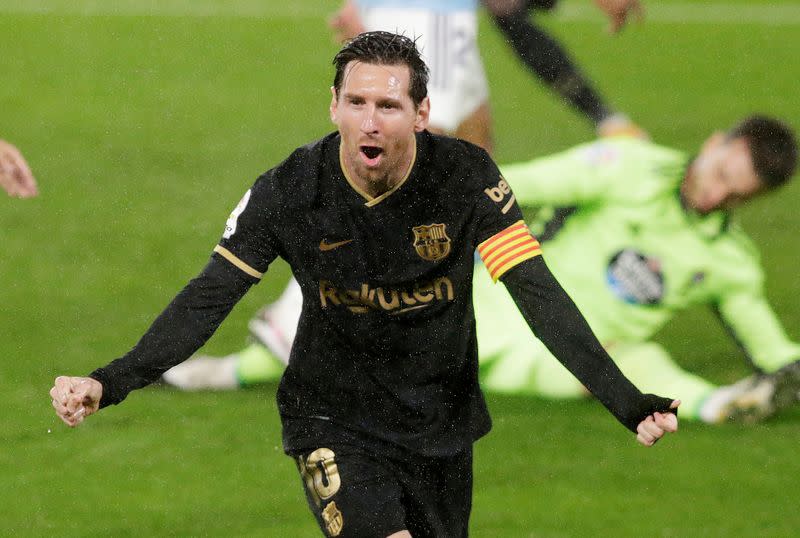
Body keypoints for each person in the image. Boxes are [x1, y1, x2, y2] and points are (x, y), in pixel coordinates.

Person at [50, 32, 677, 537]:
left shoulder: (464, 177)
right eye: (356, 103)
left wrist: (625, 400)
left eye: (388, 106)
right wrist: (112, 380)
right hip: (333, 418)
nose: (369, 122)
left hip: (441, 420)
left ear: (422, 114)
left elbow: (536, 293)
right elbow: (209, 297)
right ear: (333, 105)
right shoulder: (291, 191)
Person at [166, 115, 800, 425]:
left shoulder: (730, 263)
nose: (716, 195)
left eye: (736, 194)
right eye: (721, 173)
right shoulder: (626, 167)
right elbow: (513, 184)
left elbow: (770, 344)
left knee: (634, 362)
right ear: (716, 142)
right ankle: (229, 370)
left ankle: (721, 404)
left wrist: (786, 369)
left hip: (580, 350)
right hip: (505, 296)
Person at [329, 0, 646, 156]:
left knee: (474, 139)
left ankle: (473, 244)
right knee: (410, 146)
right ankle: (344, 268)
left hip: (443, 19)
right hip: (430, 17)